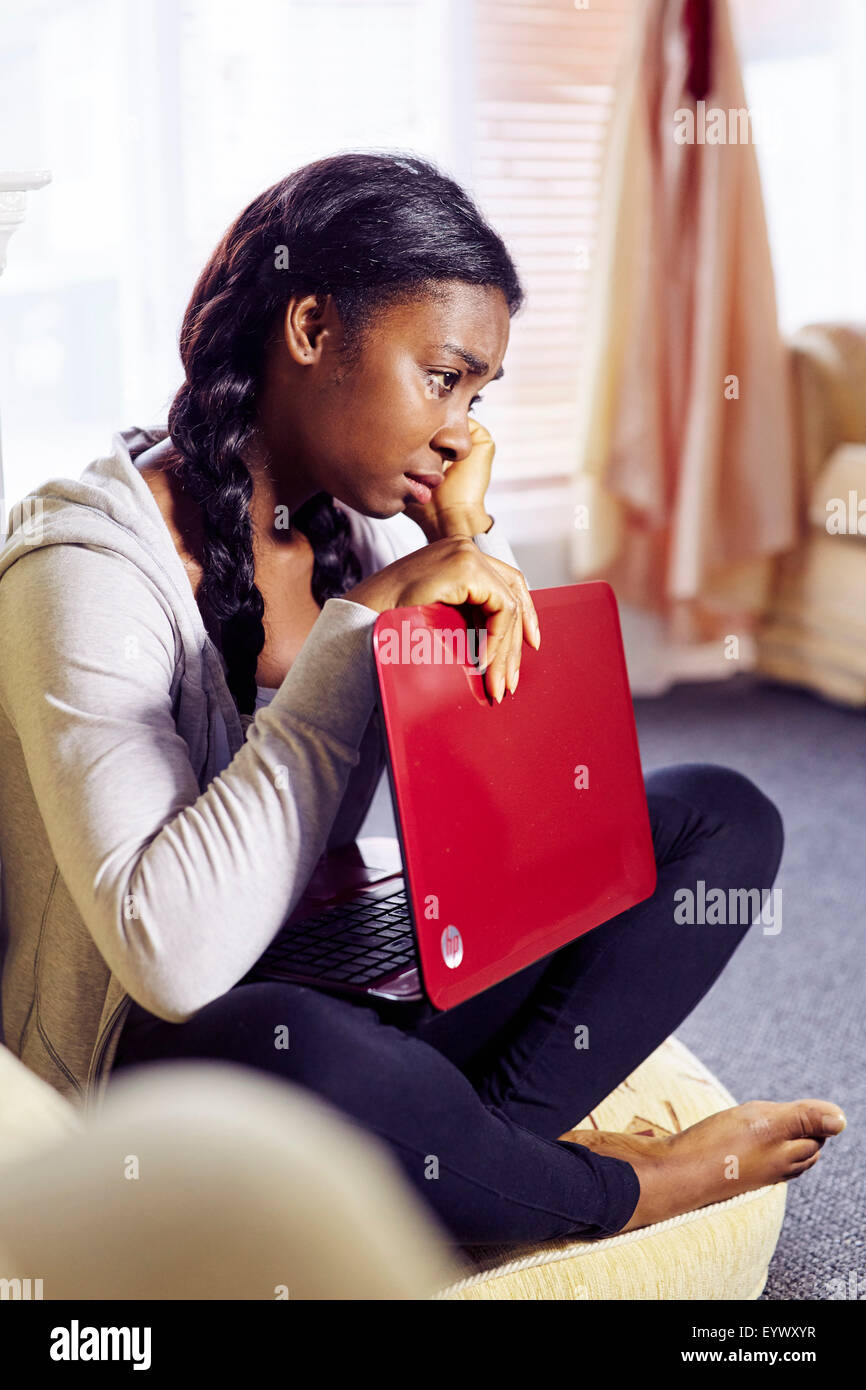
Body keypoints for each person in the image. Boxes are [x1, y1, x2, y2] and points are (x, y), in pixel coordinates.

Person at [0, 152, 845, 1251]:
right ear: (309, 327)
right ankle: (604, 1192)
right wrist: (366, 623)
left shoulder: (334, 529)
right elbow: (169, 957)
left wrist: (454, 548)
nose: (460, 428)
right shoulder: (85, 564)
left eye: (477, 396)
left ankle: (467, 1161)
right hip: (152, 1047)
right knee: (313, 1046)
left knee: (717, 819)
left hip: (322, 958)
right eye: (442, 376)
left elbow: (509, 826)